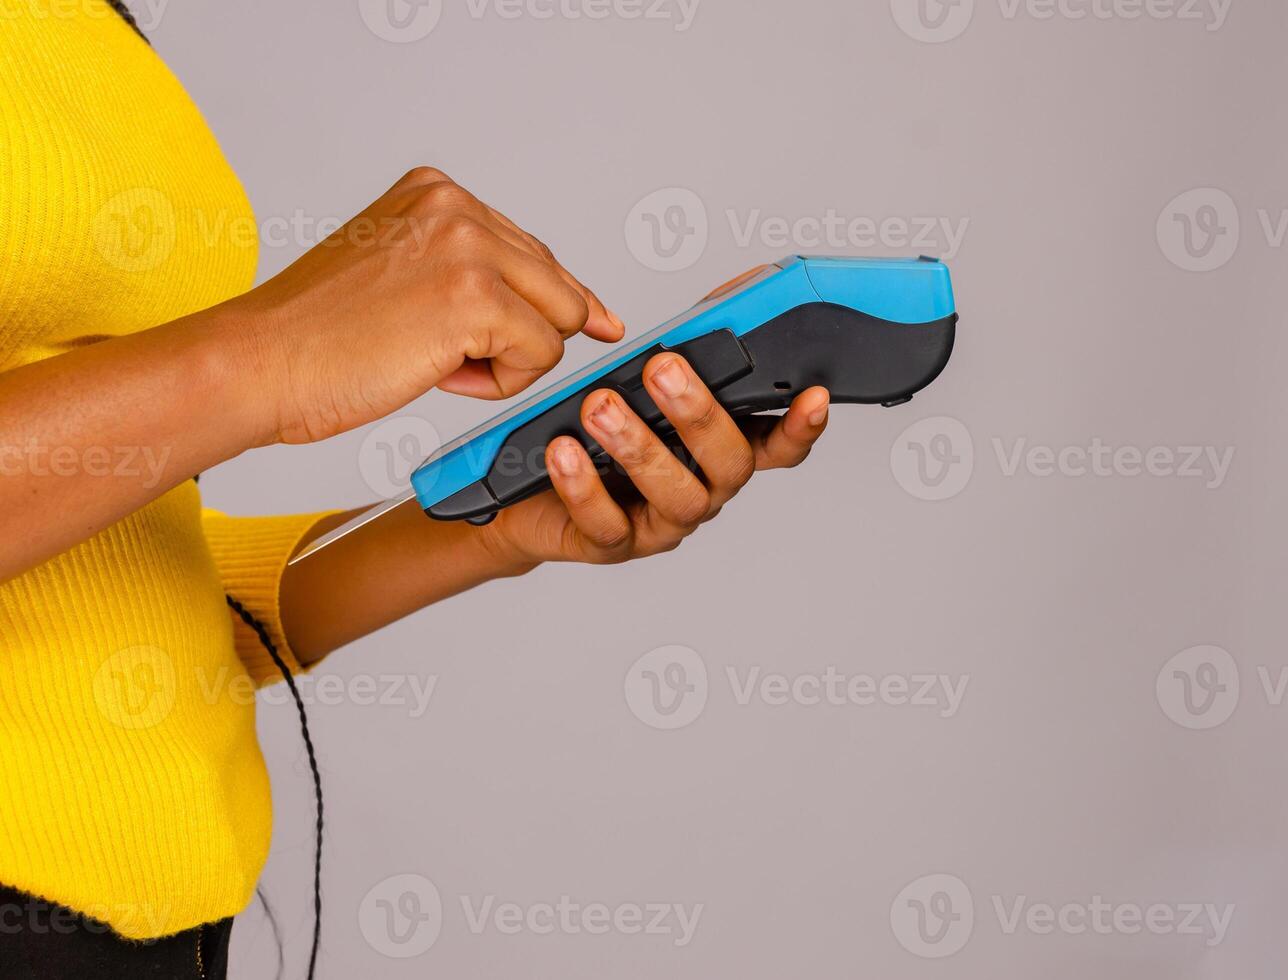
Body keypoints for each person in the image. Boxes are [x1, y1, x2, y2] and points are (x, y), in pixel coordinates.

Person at [0, 3, 831, 976]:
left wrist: (496, 517)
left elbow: (108, 597)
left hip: (163, 930)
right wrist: (265, 354)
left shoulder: (88, 25)